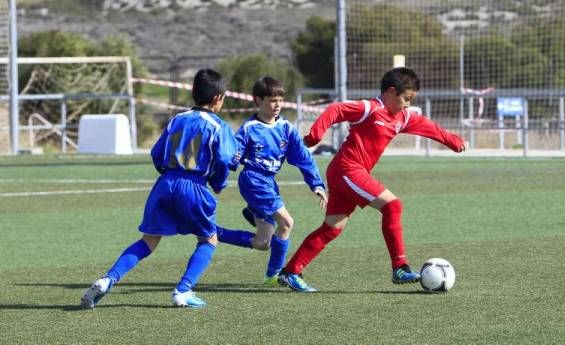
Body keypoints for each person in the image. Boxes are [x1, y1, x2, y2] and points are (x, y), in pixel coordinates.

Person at [278, 67, 465, 292]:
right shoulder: (370, 108)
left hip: (350, 173)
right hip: (347, 169)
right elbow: (336, 109)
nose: (407, 104)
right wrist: (315, 135)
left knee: (332, 228)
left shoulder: (402, 117)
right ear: (391, 92)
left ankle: (291, 272)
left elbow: (427, 126)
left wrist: (452, 140)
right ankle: (400, 267)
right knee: (393, 205)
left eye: (411, 100)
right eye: (406, 99)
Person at [80, 68, 236, 309]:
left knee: (149, 241)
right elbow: (225, 159)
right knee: (209, 239)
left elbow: (156, 153)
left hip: (165, 183)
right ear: (218, 98)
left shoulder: (177, 119)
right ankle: (183, 291)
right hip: (193, 185)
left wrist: (168, 175)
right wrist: (218, 183)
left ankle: (108, 278)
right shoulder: (218, 126)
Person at [216, 77, 327, 286]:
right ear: (258, 101)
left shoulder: (286, 128)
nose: (277, 106)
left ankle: (212, 232)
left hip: (268, 182)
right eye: (272, 101)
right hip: (253, 181)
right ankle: (275, 275)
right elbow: (229, 157)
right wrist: (218, 178)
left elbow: (303, 157)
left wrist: (317, 185)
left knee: (262, 243)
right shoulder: (249, 128)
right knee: (287, 223)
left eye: (280, 100)